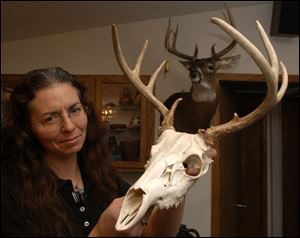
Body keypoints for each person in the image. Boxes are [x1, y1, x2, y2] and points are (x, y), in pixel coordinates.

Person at [1, 66, 217, 237]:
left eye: (74, 110)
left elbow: (155, 234)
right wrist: (101, 233)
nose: (69, 126)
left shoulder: (104, 180)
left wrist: (180, 183)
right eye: (50, 118)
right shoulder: (11, 195)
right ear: (27, 128)